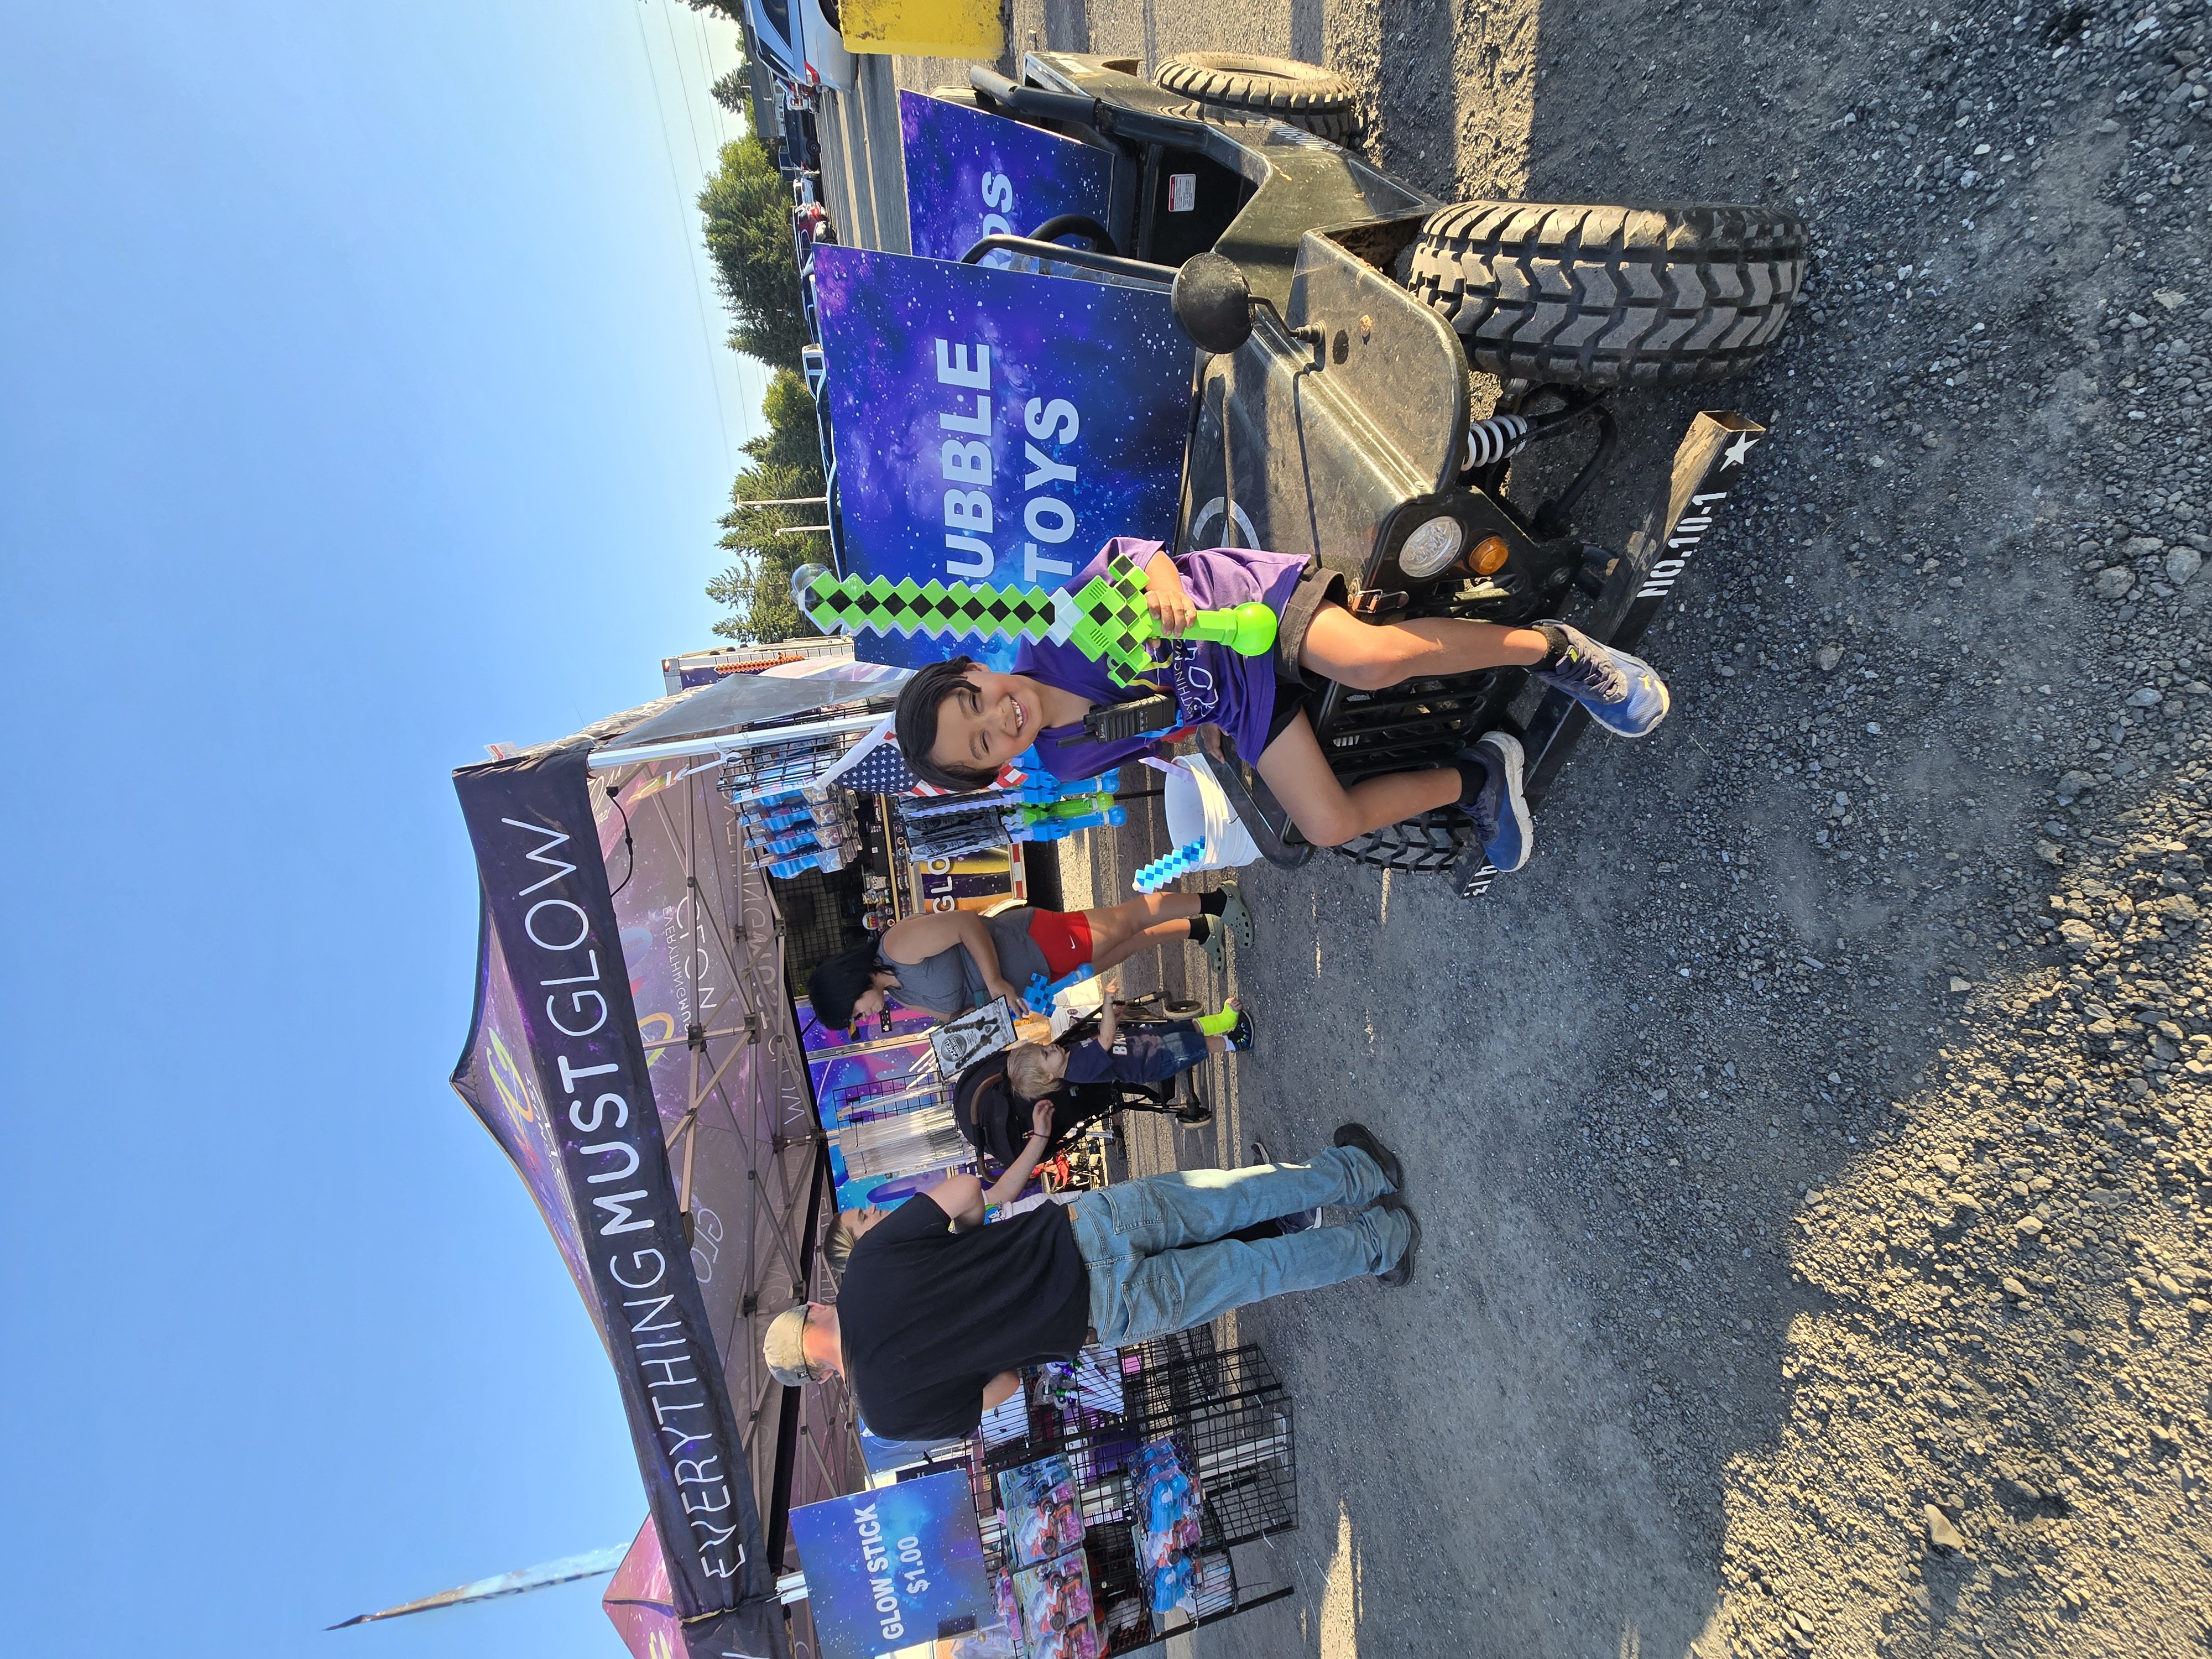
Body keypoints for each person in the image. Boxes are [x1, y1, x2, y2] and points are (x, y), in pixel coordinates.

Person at [892, 537, 1671, 874]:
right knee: (1326, 825)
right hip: (1235, 707)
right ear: (999, 769)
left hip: (1246, 616)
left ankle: (1553, 649)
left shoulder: (1049, 629)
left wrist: (1160, 574)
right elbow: (1152, 735)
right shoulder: (1061, 760)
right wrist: (1203, 740)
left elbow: (1131, 557)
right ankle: (1477, 779)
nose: (999, 722)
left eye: (977, 703)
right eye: (984, 745)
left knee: (1368, 662)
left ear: (974, 664)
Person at [763, 1124, 1419, 1441]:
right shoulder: (871, 1262)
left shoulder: (888, 1415)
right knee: (1234, 1199)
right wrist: (966, 1246)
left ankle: (1380, 1243)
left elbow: (1004, 1388)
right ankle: (1361, 1172)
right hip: (1082, 1231)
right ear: (813, 1306)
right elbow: (966, 1190)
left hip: (1101, 1315)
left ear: (818, 1377)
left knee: (1255, 1272)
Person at [806, 884, 1251, 1030]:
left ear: (850, 988)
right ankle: (1196, 929)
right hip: (1037, 982)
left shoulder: (896, 948)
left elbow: (967, 923)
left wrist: (996, 980)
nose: (864, 1018)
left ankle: (1215, 899)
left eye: (854, 1015)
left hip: (1029, 942)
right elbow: (962, 1010)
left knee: (1126, 921)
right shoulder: (902, 1000)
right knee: (1124, 946)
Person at [1004, 983, 1251, 1100]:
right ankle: (1234, 1042)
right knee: (1197, 1045)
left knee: (1190, 1028)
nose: (1050, 1047)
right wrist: (1107, 1005)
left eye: (1043, 1047)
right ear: (1048, 1078)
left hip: (1145, 1043)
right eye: (1046, 1055)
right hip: (1150, 1061)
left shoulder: (1068, 1053)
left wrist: (1117, 1017)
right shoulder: (1077, 1068)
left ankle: (1224, 1021)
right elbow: (1106, 1038)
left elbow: (1109, 1039)